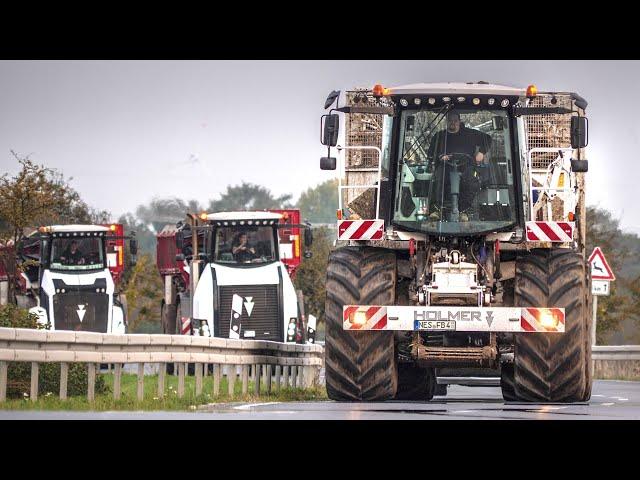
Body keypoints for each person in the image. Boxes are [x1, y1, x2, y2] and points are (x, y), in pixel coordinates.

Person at [426, 111, 492, 220]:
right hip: (445, 167)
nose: (453, 123)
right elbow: (431, 154)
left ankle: (464, 211)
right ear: (446, 122)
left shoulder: (470, 134)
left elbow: (488, 139)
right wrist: (440, 157)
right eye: (450, 120)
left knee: (472, 181)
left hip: (467, 166)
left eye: (455, 120)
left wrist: (481, 152)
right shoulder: (439, 136)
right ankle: (436, 210)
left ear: (459, 121)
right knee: (437, 179)